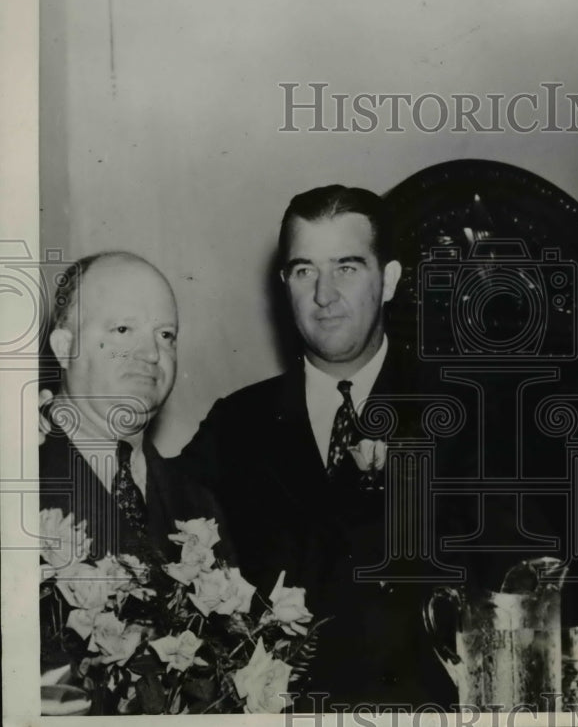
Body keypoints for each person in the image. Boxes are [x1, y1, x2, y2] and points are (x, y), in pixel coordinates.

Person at [175, 186, 457, 706]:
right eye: (305, 271)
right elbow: (156, 519)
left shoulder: (465, 417)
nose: (324, 295)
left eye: (346, 267)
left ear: (389, 280)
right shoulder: (235, 424)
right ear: (285, 285)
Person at [39, 251, 227, 565]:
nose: (152, 353)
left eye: (165, 335)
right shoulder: (18, 471)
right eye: (123, 330)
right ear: (64, 347)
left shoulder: (199, 505)